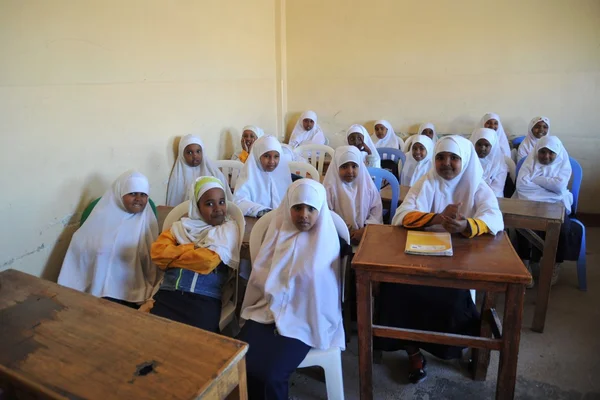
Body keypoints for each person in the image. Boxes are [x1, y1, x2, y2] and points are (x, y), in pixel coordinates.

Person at [378, 135, 504, 384]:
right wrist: (437, 219)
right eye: (440, 157)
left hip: (459, 259)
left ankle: (450, 347)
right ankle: (412, 351)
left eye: (454, 158)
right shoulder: (427, 181)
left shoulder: (476, 185)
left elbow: (495, 219)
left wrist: (465, 225)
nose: (446, 163)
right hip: (421, 256)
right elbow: (402, 215)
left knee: (453, 296)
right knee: (394, 288)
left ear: (465, 160)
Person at [239, 179, 345, 399]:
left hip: (307, 318)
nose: (303, 214)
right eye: (297, 207)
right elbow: (260, 278)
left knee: (271, 374)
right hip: (266, 311)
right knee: (239, 362)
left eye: (310, 208)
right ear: (288, 208)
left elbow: (324, 295)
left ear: (320, 210)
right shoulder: (276, 235)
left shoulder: (326, 245)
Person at [58, 171, 160, 309]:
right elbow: (80, 246)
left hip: (132, 294)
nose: (138, 199)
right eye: (132, 193)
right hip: (94, 290)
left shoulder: (147, 222)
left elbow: (153, 262)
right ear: (119, 194)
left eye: (143, 194)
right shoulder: (99, 217)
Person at [150, 176, 240, 332]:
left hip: (203, 300)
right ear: (197, 207)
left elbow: (207, 261)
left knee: (197, 347)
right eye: (209, 204)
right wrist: (195, 250)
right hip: (169, 294)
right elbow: (158, 253)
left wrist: (174, 255)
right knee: (155, 338)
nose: (218, 208)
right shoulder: (181, 226)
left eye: (222, 201)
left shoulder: (227, 229)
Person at [514, 136, 573, 287]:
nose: (546, 156)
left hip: (556, 205)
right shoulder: (529, 162)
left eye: (551, 153)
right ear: (537, 151)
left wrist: (536, 179)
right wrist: (550, 187)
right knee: (522, 225)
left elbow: (560, 188)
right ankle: (525, 262)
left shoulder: (563, 164)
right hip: (530, 203)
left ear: (557, 153)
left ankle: (555, 263)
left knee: (563, 227)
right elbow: (522, 188)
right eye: (542, 152)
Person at [323, 145, 382, 245]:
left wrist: (364, 230)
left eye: (354, 166)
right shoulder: (329, 189)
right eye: (344, 166)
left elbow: (376, 212)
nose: (350, 171)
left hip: (365, 235)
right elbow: (326, 216)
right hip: (337, 237)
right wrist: (343, 232)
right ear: (336, 167)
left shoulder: (368, 187)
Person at [234, 135, 292, 217]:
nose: (272, 161)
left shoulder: (284, 176)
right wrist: (263, 211)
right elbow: (239, 202)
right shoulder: (248, 176)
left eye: (276, 156)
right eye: (266, 156)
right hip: (257, 222)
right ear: (258, 156)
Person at [166, 134, 232, 206]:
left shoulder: (214, 173)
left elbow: (226, 199)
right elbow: (174, 205)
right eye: (189, 152)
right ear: (182, 155)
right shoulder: (177, 178)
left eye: (198, 151)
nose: (195, 155)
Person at [470, 127, 508, 197]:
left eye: (486, 145)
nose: (482, 148)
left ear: (492, 146)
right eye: (479, 144)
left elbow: (497, 188)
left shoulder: (499, 165)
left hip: (493, 198)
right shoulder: (467, 162)